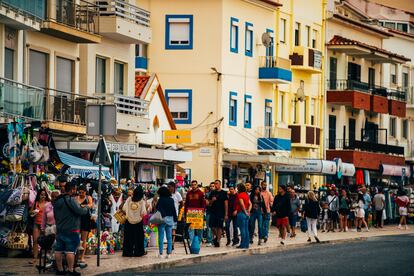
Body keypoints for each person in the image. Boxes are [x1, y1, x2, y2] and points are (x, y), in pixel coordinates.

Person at [53, 181, 89, 276]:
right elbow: (80, 211)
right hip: (71, 229)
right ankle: (70, 270)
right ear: (72, 189)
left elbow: (55, 215)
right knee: (70, 250)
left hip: (60, 228)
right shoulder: (71, 200)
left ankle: (60, 270)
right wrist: (86, 208)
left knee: (58, 250)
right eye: (75, 189)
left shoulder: (57, 200)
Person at [122, 186, 147, 257]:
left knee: (128, 238)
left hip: (128, 221)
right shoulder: (141, 201)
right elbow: (143, 212)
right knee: (138, 238)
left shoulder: (129, 199)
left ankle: (127, 252)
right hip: (138, 222)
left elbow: (124, 209)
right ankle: (138, 252)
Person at [156, 186, 177, 259]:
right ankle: (169, 253)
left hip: (162, 219)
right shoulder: (171, 200)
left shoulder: (160, 199)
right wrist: (175, 219)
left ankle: (161, 253)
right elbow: (174, 210)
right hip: (170, 219)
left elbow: (157, 208)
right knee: (169, 237)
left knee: (161, 237)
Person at [30, 189, 50, 264]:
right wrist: (34, 212)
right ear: (38, 195)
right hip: (36, 224)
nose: (43, 196)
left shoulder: (48, 203)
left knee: (46, 242)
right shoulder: (36, 203)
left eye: (44, 195)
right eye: (41, 194)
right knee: (35, 241)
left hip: (45, 225)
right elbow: (30, 213)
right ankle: (35, 258)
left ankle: (46, 257)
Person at [207, 180, 228, 247]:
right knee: (212, 226)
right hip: (213, 212)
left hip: (221, 212)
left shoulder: (223, 193)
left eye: (217, 184)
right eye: (215, 184)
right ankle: (217, 237)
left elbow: (226, 204)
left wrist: (226, 214)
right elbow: (209, 204)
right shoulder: (212, 193)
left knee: (219, 227)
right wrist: (212, 201)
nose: (216, 185)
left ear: (220, 184)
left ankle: (218, 241)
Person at [76, 185, 93, 263]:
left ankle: (82, 256)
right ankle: (76, 255)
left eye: (82, 192)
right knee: (76, 238)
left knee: (84, 239)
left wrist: (83, 206)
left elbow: (90, 205)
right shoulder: (76, 198)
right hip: (77, 219)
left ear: (85, 192)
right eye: (79, 192)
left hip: (85, 219)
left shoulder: (88, 197)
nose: (81, 194)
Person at [233, 183, 251, 249]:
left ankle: (242, 244)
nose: (237, 188)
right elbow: (250, 204)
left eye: (237, 187)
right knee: (246, 229)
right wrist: (248, 211)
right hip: (246, 214)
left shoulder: (239, 195)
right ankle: (247, 244)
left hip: (241, 213)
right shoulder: (246, 195)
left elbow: (241, 204)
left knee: (242, 229)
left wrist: (245, 212)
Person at [168, 182, 183, 249]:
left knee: (173, 229)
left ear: (173, 187)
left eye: (169, 187)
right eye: (168, 187)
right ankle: (169, 243)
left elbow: (181, 203)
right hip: (167, 214)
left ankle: (172, 244)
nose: (168, 188)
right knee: (168, 229)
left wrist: (178, 210)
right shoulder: (167, 194)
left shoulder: (177, 194)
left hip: (174, 215)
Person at [204, 182, 215, 247]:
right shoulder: (207, 194)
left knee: (215, 227)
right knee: (209, 227)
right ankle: (209, 240)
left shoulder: (218, 193)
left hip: (216, 212)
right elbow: (207, 204)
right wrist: (212, 201)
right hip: (209, 212)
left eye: (213, 186)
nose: (212, 187)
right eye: (211, 186)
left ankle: (215, 240)